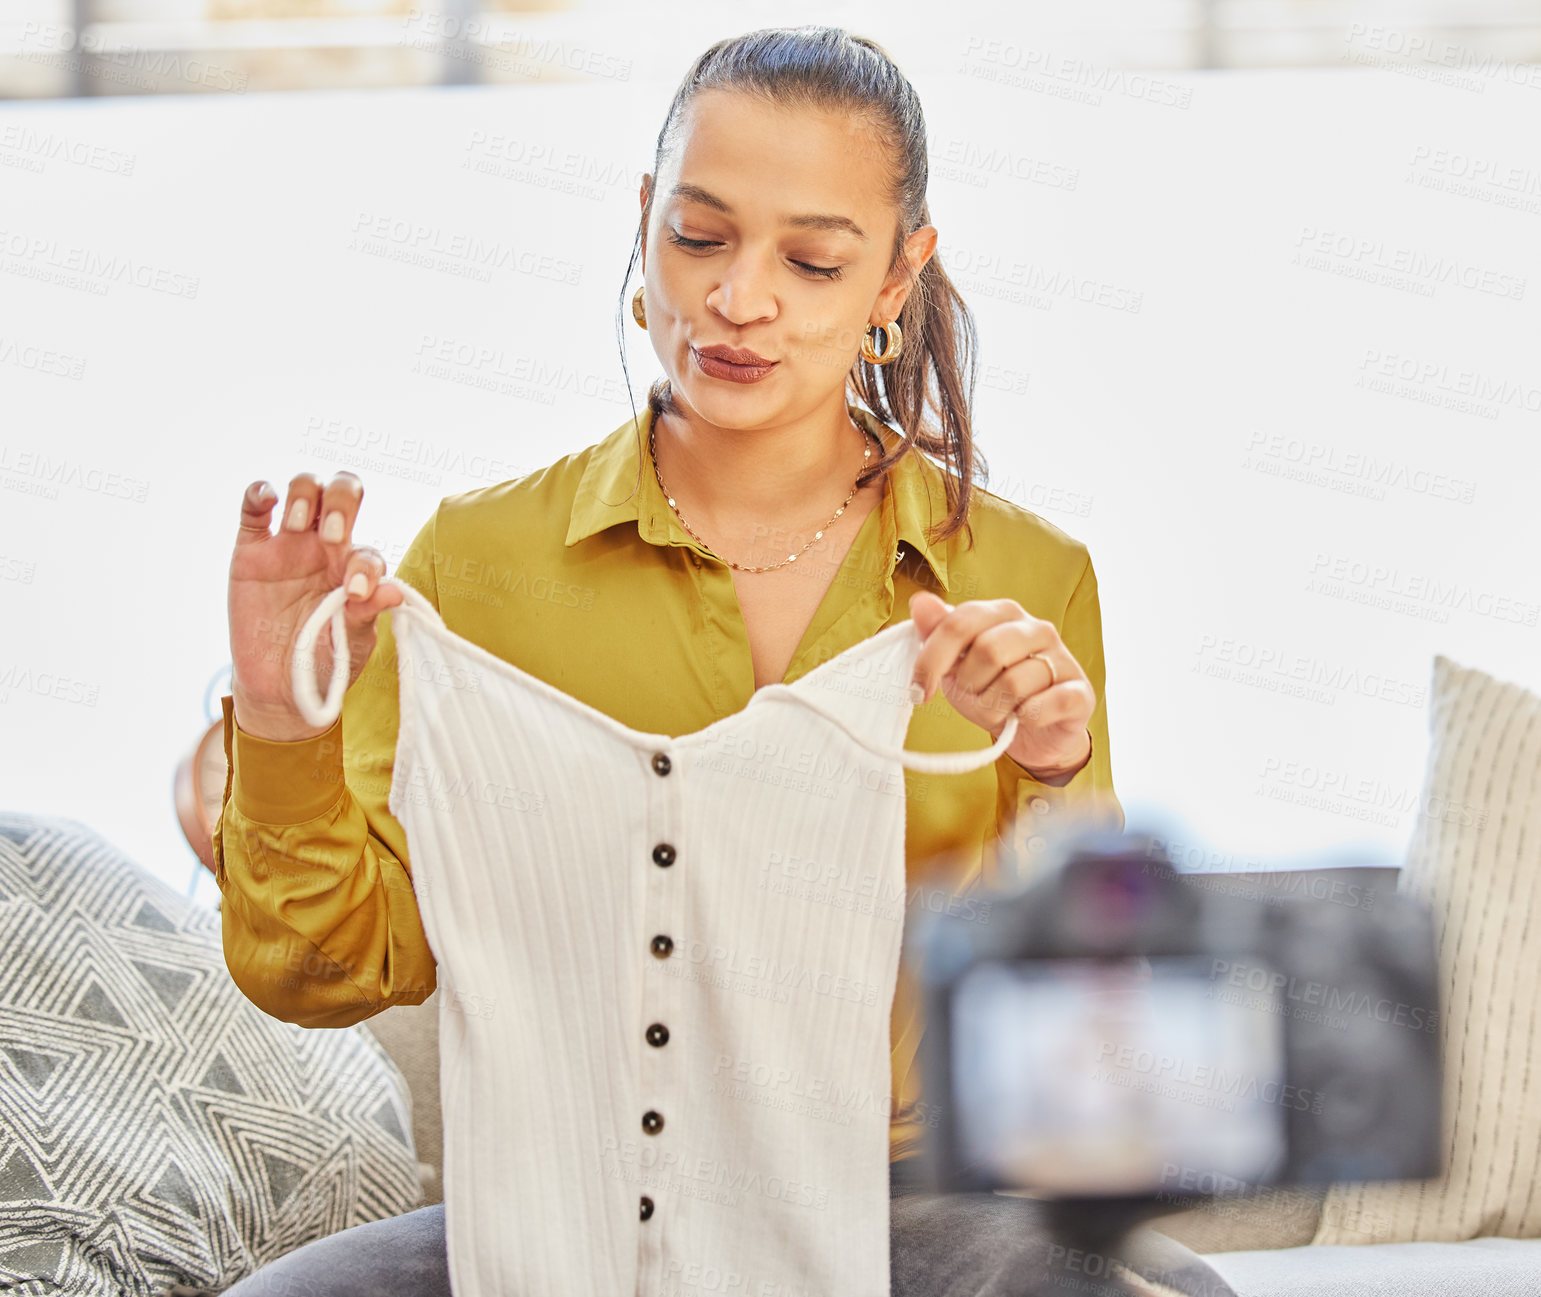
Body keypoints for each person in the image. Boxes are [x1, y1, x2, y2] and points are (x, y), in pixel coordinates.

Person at [215, 24, 1227, 1297]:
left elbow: (1085, 1053)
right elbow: (328, 968)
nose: (739, 299)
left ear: (898, 275)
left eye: (811, 260)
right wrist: (276, 714)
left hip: (905, 1210)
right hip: (568, 1193)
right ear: (642, 222)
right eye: (699, 236)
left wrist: (1052, 765)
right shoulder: (476, 562)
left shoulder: (1019, 576)